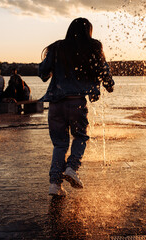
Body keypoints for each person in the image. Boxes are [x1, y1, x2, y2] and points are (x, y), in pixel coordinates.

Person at [39, 17, 115, 196]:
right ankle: (72, 167)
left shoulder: (57, 47)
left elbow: (43, 72)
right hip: (76, 102)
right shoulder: (93, 47)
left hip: (56, 104)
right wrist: (108, 84)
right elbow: (103, 69)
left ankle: (54, 184)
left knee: (59, 144)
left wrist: (51, 67)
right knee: (80, 137)